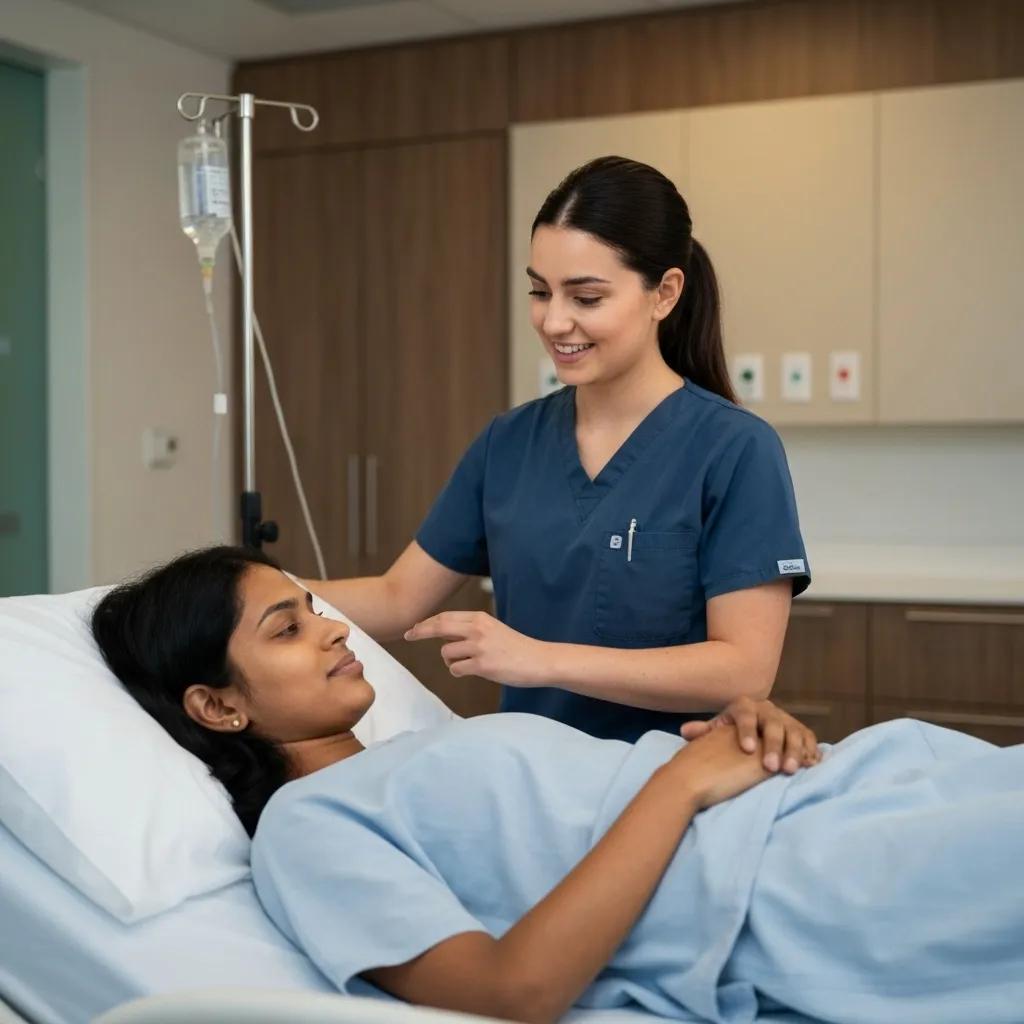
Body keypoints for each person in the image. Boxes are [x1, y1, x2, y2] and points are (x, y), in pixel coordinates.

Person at [92, 547, 1022, 1024]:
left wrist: (746, 732)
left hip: (832, 793)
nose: (335, 631)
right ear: (216, 708)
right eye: (287, 631)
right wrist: (685, 786)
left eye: (318, 612)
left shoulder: (414, 754)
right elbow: (513, 990)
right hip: (786, 884)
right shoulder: (307, 827)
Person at [307, 155, 811, 743]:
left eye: (586, 298)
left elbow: (744, 671)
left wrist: (540, 660)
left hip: (668, 779)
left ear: (665, 293)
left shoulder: (733, 448)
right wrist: (252, 592)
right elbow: (397, 599)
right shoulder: (508, 443)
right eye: (540, 292)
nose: (553, 321)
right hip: (534, 779)